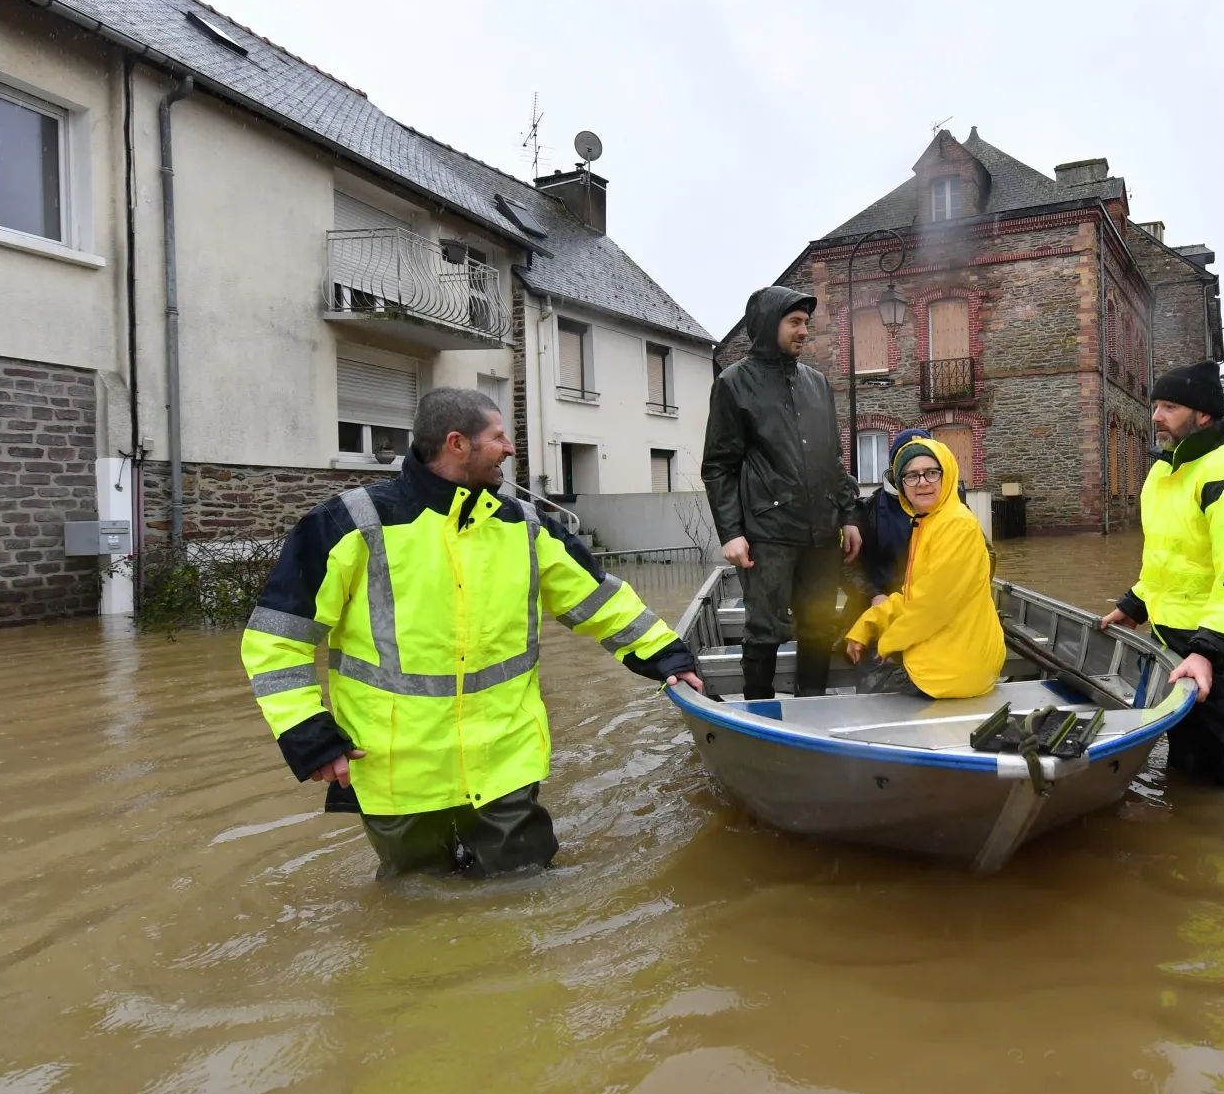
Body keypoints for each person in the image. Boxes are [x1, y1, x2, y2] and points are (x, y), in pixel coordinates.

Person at [240, 388, 703, 879]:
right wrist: (308, 734)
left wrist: (668, 656)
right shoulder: (347, 525)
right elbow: (276, 639)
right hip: (399, 771)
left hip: (504, 761)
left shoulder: (524, 527)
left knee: (525, 887)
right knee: (416, 905)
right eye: (498, 436)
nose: (509, 448)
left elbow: (600, 602)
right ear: (457, 444)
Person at [1100, 362, 1224, 795]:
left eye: (1170, 406)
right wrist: (1135, 605)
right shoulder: (1164, 473)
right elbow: (1168, 559)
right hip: (1181, 645)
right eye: (1155, 406)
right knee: (1187, 765)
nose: (1155, 416)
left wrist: (1209, 650)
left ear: (1203, 414)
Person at [702, 286, 861, 699]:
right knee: (764, 628)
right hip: (767, 532)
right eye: (795, 322)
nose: (804, 331)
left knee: (819, 623)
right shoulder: (733, 383)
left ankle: (814, 711)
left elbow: (835, 459)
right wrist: (731, 533)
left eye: (806, 322)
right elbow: (719, 466)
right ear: (769, 325)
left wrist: (850, 515)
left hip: (822, 530)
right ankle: (759, 711)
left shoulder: (818, 384)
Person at [843, 437, 1004, 698]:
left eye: (931, 473)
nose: (923, 482)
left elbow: (932, 606)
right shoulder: (929, 523)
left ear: (947, 474)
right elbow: (914, 594)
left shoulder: (957, 525)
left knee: (871, 674)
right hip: (951, 656)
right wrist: (868, 623)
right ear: (901, 484)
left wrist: (886, 643)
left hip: (953, 671)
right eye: (912, 476)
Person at [850, 426, 933, 609]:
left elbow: (984, 557)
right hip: (882, 609)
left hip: (932, 608)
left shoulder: (955, 510)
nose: (921, 480)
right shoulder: (868, 509)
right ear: (894, 466)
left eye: (929, 470)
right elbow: (848, 566)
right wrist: (872, 594)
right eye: (908, 465)